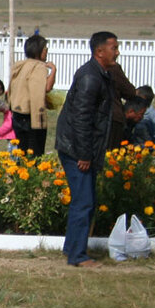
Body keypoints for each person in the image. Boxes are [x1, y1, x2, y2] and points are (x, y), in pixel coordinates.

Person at [54, 31, 118, 268]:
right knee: (84, 202)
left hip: (79, 145)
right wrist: (83, 154)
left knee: (83, 200)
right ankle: (77, 256)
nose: (117, 52)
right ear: (99, 51)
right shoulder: (91, 77)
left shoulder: (100, 74)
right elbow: (81, 118)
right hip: (76, 148)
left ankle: (72, 247)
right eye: (113, 48)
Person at [7, 33, 56, 156]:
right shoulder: (39, 67)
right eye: (45, 49)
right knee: (35, 152)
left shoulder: (20, 65)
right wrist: (53, 70)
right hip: (31, 115)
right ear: (38, 51)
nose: (46, 52)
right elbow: (46, 88)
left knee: (21, 150)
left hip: (17, 113)